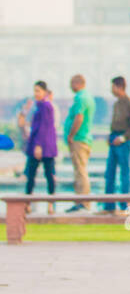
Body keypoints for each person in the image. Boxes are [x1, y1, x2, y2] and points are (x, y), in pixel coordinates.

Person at [102, 76, 130, 212]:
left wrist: (123, 138)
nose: (111, 90)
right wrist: (110, 136)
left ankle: (124, 204)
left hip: (123, 140)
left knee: (124, 172)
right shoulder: (117, 103)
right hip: (114, 138)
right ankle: (109, 204)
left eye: (113, 87)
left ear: (119, 87)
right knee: (110, 172)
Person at [23, 81, 58, 210]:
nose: (36, 93)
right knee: (31, 174)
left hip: (44, 146)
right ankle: (27, 202)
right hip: (39, 144)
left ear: (44, 92)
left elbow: (44, 127)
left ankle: (50, 203)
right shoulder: (39, 106)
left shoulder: (46, 106)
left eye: (38, 90)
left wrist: (38, 145)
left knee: (48, 174)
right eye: (35, 90)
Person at [64, 73, 95, 211]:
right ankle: (81, 201)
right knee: (80, 170)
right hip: (84, 138)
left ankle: (83, 202)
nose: (70, 87)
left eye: (71, 83)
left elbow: (79, 117)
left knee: (80, 171)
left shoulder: (80, 98)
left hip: (79, 139)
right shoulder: (88, 97)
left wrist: (71, 135)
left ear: (77, 83)